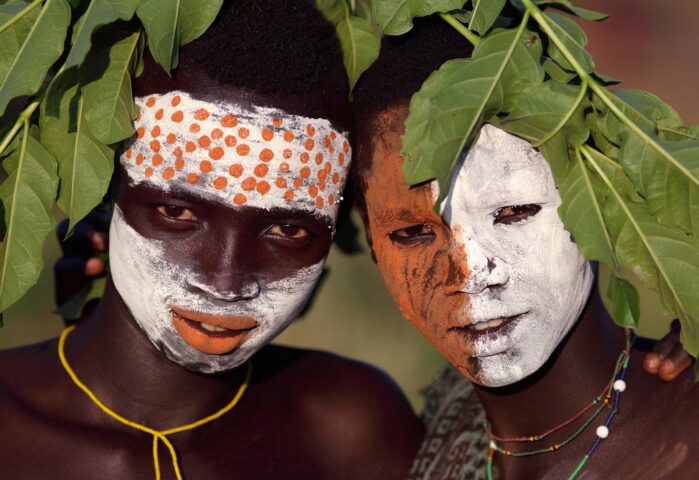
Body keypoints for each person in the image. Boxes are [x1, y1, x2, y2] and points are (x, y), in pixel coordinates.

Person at [0, 2, 422, 479]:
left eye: (287, 230)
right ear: (104, 192)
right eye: (177, 212)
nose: (224, 282)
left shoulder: (352, 429)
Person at [352, 18, 699, 479]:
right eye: (413, 232)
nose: (470, 273)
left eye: (514, 213)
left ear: (592, 198)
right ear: (373, 242)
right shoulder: (422, 436)